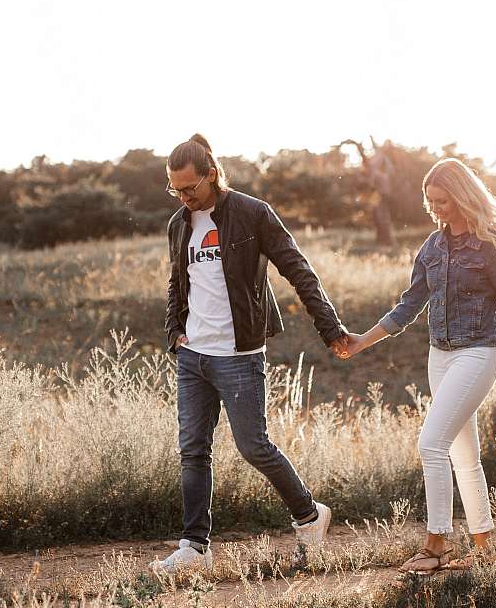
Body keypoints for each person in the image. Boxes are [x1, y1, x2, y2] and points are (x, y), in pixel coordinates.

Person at [150, 134, 359, 576]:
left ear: (211, 174)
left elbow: (299, 270)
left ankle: (309, 515)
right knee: (192, 451)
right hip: (193, 356)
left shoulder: (252, 214)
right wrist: (175, 333)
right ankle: (194, 546)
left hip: (238, 354)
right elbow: (177, 284)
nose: (183, 197)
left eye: (190, 188)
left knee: (253, 446)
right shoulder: (179, 224)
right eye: (175, 189)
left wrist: (329, 327)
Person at [342, 158, 496, 573]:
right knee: (464, 453)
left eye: (442, 200)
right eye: (430, 202)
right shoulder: (431, 247)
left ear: (463, 196)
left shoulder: (492, 243)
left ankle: (437, 545)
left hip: (478, 353)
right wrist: (362, 341)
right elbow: (408, 306)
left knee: (431, 444)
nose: (436, 208)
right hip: (439, 356)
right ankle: (484, 549)